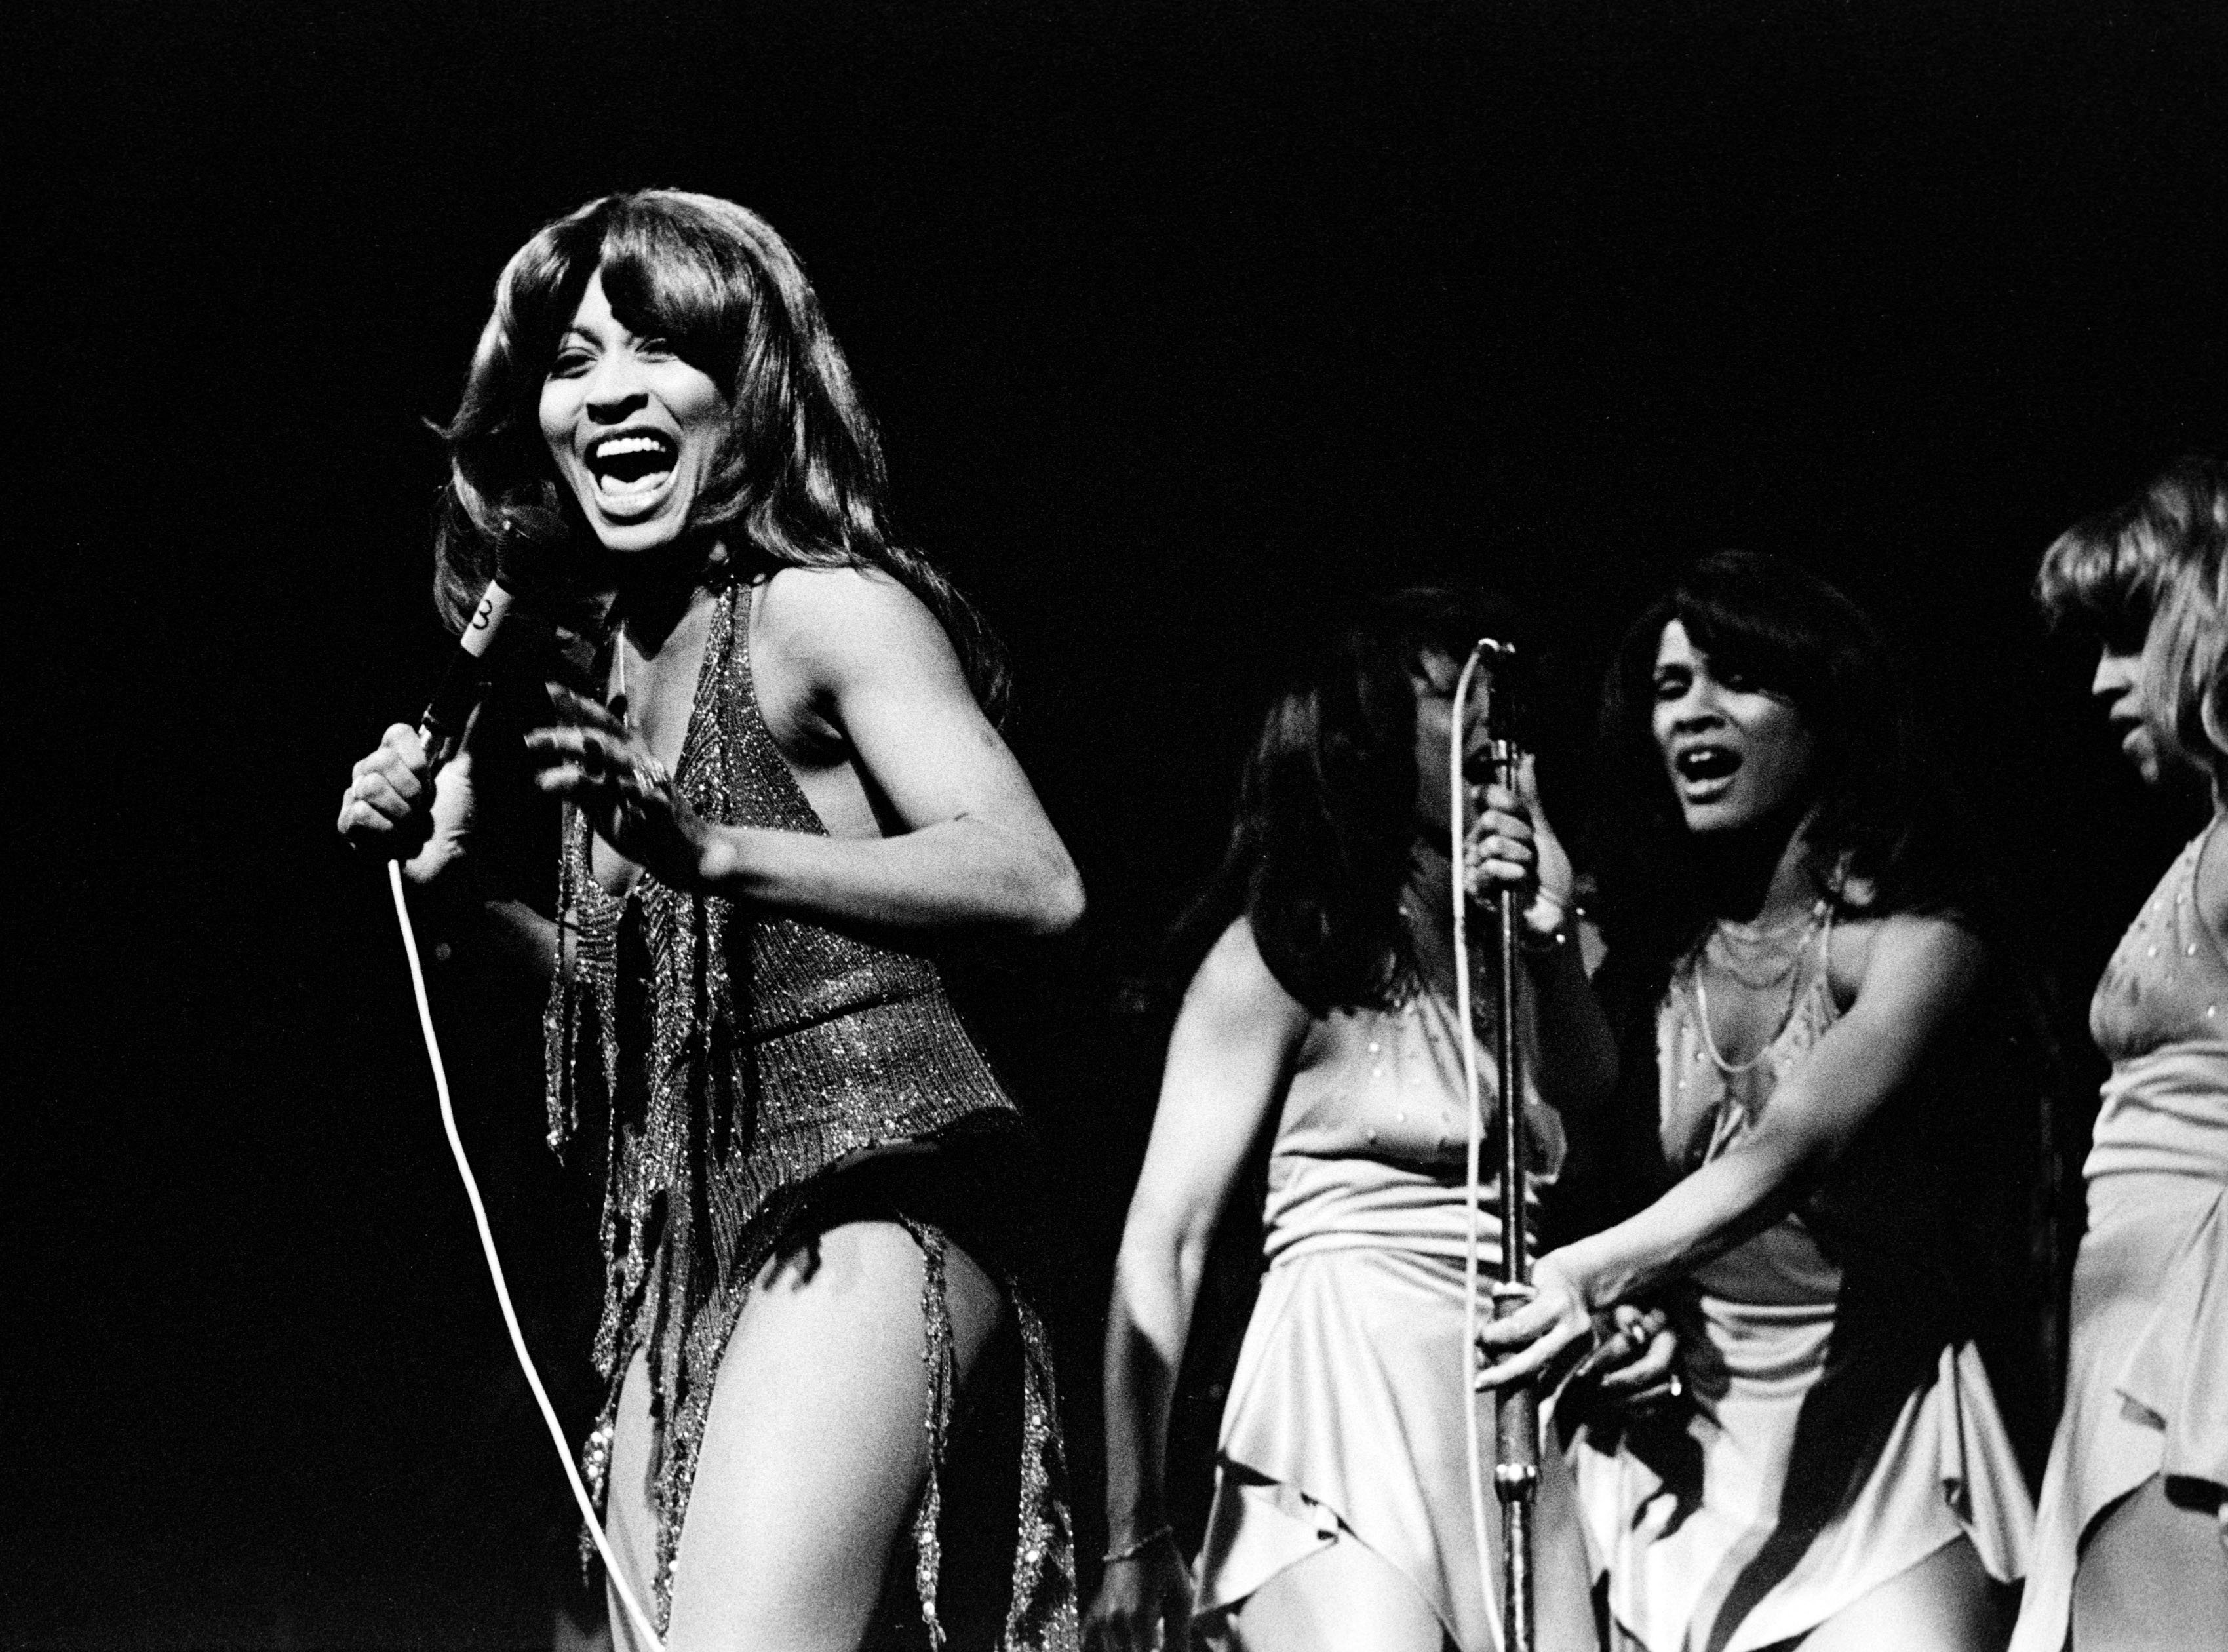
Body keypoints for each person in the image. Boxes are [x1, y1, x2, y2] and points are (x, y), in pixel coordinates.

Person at [337, 190, 1086, 1652]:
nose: (610, 390)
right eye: (570, 362)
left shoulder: (820, 611)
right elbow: (652, 991)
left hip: (866, 1179)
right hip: (676, 1236)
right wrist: (466, 898)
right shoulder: (609, 667)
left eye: (658, 348)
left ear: (751, 389)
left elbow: (1032, 876)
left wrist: (707, 846)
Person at [1083, 592, 1675, 1652]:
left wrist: (1544, 934)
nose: (1492, 719)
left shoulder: (1526, 944)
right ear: (1366, 736)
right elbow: (1165, 1241)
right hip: (1342, 1391)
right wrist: (1134, 1531)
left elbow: (1588, 1093)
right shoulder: (1287, 951)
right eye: (1452, 694)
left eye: (1502, 700)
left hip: (1504, 1402)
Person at [1477, 553, 2036, 1652]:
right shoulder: (1643, 958)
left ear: (1826, 709)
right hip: (1677, 1462)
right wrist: (1545, 941)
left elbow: (1790, 1150)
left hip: (1880, 1457)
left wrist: (1590, 1277)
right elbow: (1582, 1122)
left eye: (1736, 679)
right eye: (1669, 686)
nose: (1693, 709)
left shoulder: (1920, 942)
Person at [2016, 458, 2228, 1652]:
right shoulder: (2205, 841)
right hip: (2138, 1346)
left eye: (2129, 635)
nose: (2102, 680)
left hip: (2189, 1356)